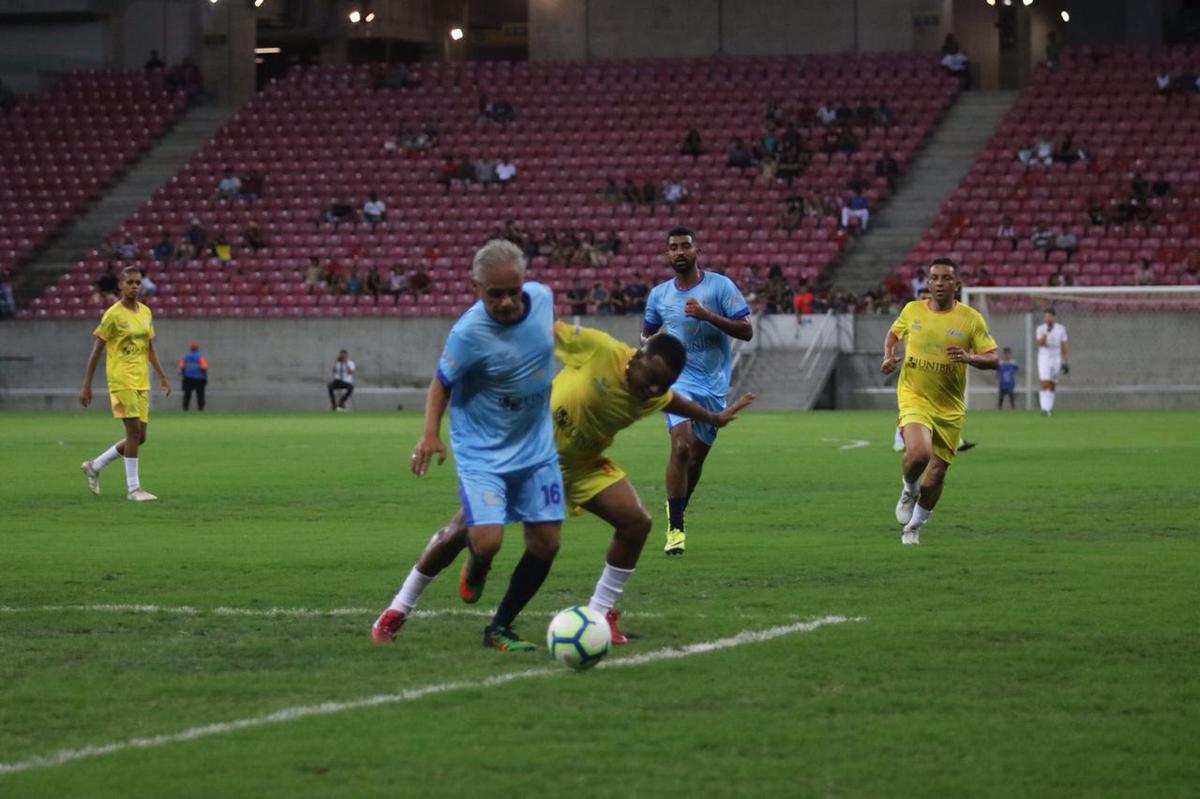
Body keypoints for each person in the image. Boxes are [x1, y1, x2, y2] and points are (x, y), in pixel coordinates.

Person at [373, 322, 755, 647]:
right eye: (652, 379)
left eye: (663, 384)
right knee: (460, 532)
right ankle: (396, 611)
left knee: (634, 523)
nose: (655, 390)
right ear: (635, 357)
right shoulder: (600, 348)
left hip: (579, 467)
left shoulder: (652, 393)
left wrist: (713, 418)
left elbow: (672, 401)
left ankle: (587, 616)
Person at [371, 240, 563, 652]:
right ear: (476, 287)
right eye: (496, 294)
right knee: (487, 540)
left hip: (536, 446)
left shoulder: (545, 299)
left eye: (514, 290)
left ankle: (500, 628)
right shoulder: (468, 333)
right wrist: (430, 434)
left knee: (547, 543)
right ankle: (402, 606)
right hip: (484, 450)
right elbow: (441, 383)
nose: (508, 301)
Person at [643, 226, 753, 555]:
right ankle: (675, 528)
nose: (679, 252)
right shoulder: (659, 295)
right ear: (667, 254)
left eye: (685, 246)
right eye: (673, 247)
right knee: (680, 448)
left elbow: (746, 331)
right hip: (678, 382)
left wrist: (707, 316)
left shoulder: (720, 286)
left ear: (696, 251)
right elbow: (647, 334)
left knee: (694, 459)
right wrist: (648, 354)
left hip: (714, 386)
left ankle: (676, 509)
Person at [881, 258, 998, 545]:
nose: (939, 283)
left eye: (946, 278)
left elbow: (993, 358)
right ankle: (909, 489)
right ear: (928, 283)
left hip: (949, 408)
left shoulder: (971, 319)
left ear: (957, 284)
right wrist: (888, 355)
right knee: (919, 454)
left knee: (936, 476)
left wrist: (970, 358)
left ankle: (913, 527)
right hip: (914, 396)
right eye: (934, 278)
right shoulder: (912, 310)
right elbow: (894, 333)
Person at [79, 267, 172, 501]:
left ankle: (95, 466)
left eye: (137, 282)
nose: (134, 286)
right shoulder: (113, 315)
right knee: (133, 432)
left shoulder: (146, 312)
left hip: (142, 379)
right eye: (129, 282)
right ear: (120, 285)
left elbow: (149, 348)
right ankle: (133, 489)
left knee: (141, 437)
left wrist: (161, 375)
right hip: (121, 379)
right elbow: (97, 351)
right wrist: (87, 384)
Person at [1036, 308, 1069, 416]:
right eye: (1045, 316)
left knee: (1052, 384)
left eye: (1049, 316)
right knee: (1045, 382)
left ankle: (1048, 409)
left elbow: (1064, 345)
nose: (1047, 318)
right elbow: (1040, 344)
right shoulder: (1041, 329)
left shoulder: (1061, 329)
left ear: (1054, 317)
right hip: (1044, 358)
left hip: (1056, 358)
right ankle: (1044, 409)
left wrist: (1065, 361)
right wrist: (1046, 333)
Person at [180, 342, 208, 411]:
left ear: (191, 348)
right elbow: (204, 368)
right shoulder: (200, 356)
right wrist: (205, 377)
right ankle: (200, 408)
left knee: (187, 395)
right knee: (200, 395)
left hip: (188, 378)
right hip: (199, 379)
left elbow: (182, 366)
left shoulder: (186, 356)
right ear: (197, 349)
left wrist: (184, 375)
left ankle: (185, 408)